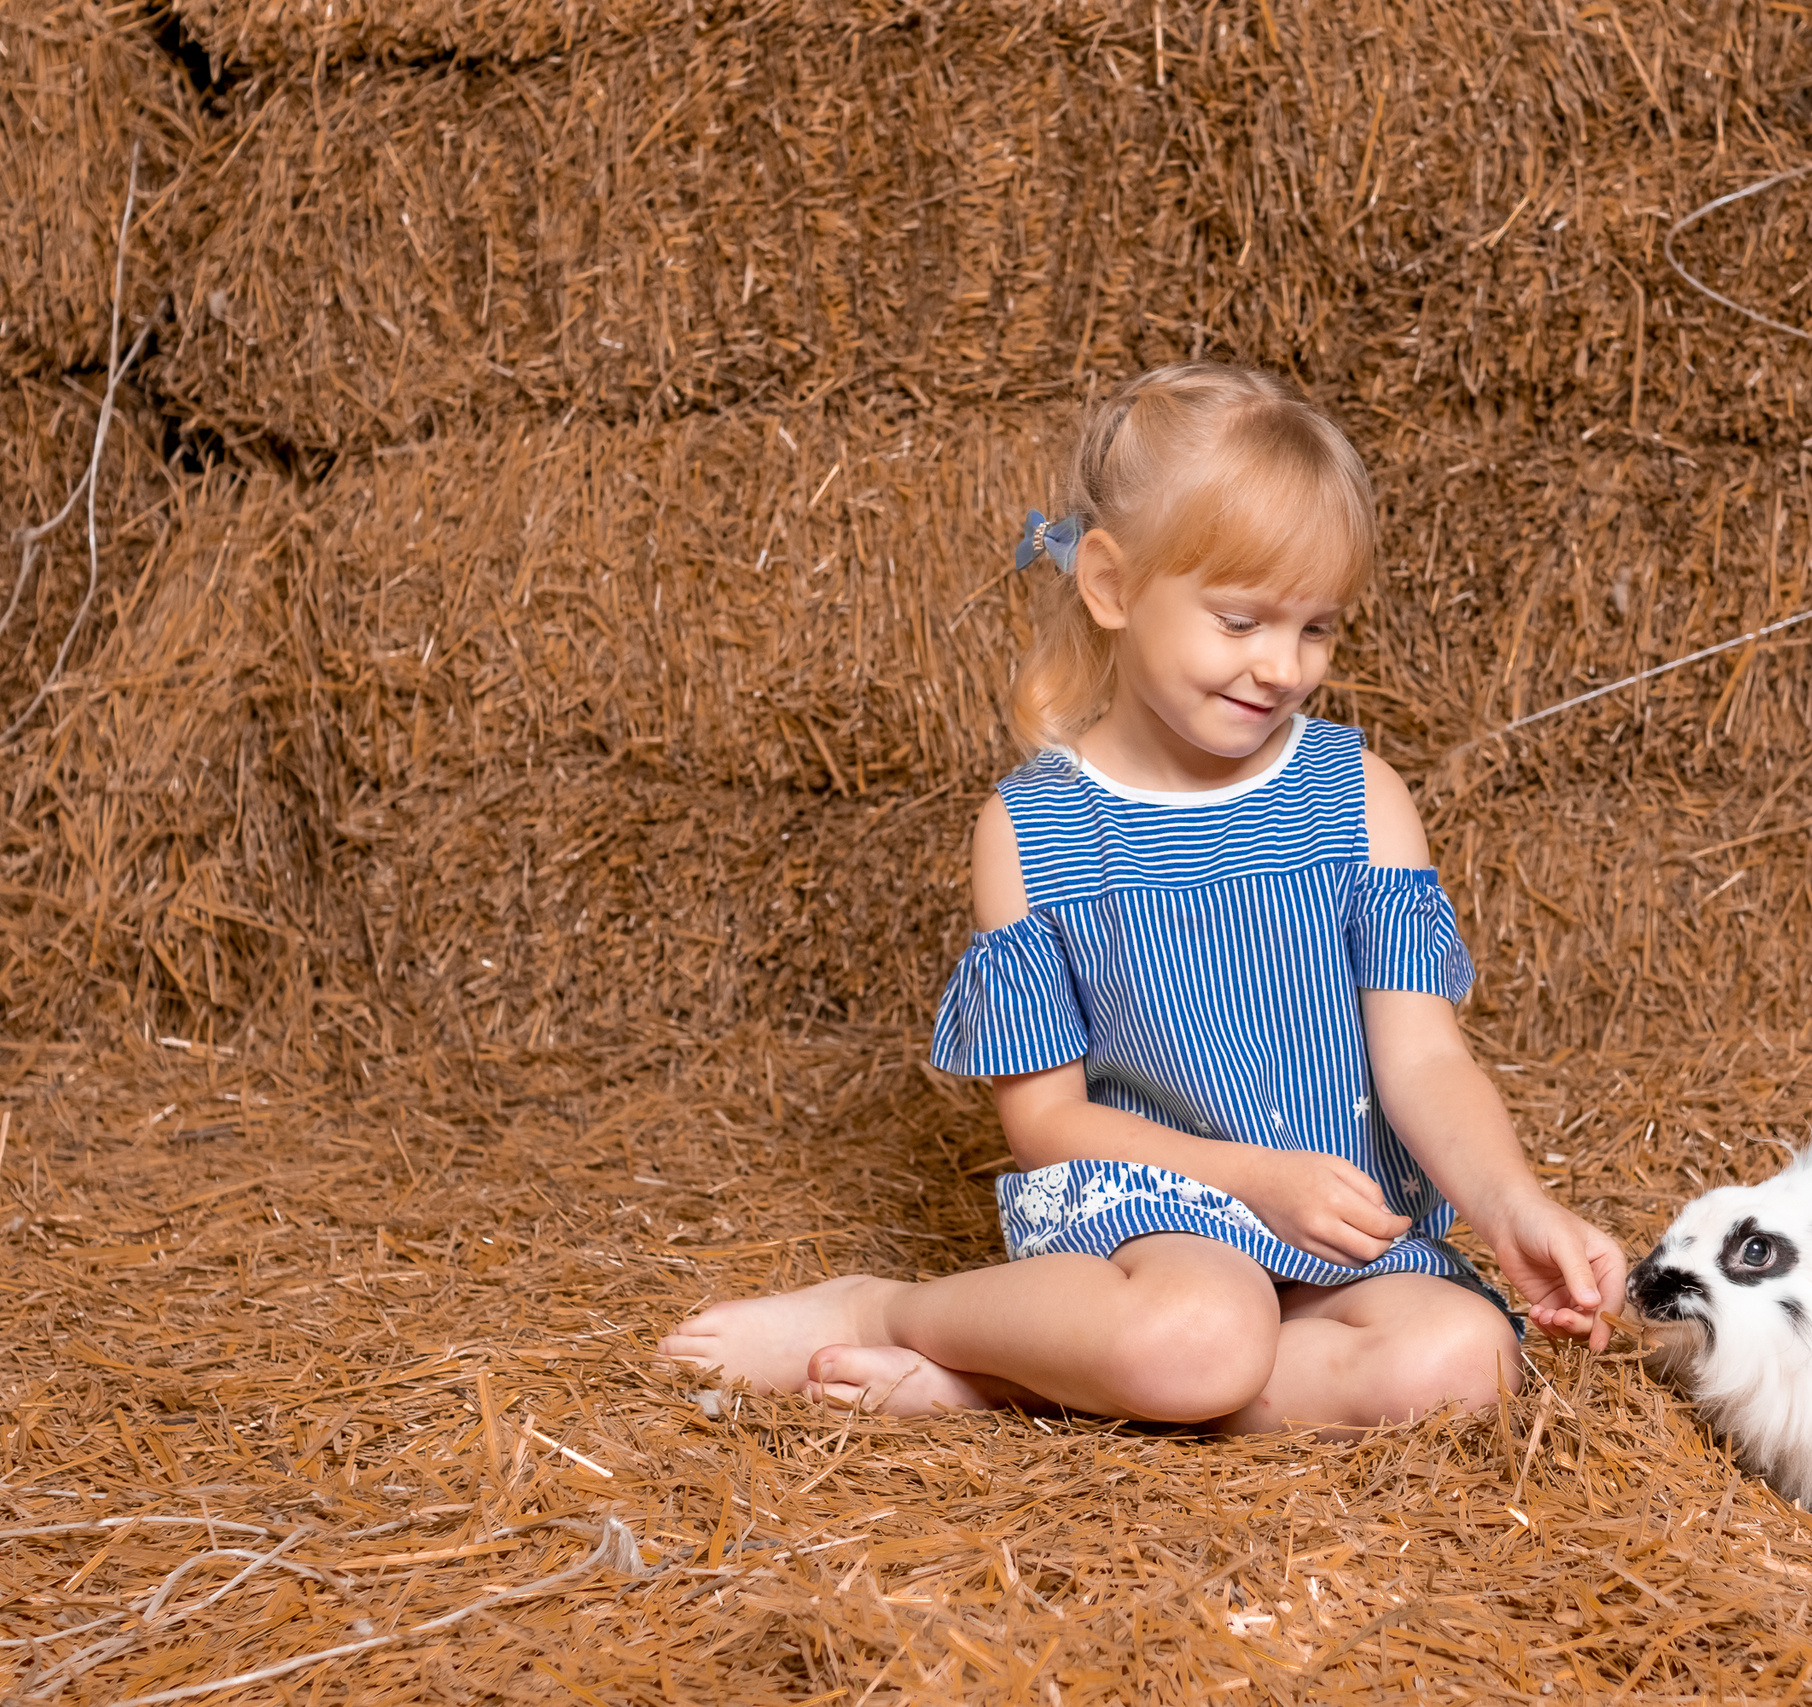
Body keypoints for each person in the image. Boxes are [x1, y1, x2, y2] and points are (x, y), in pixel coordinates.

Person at [659, 364, 1624, 1432]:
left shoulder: (1357, 796)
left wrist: (1513, 1204)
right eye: (1241, 621)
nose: (1282, 667)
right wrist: (1253, 1179)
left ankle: (1008, 1395)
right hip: (1159, 1210)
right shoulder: (1035, 831)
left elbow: (1425, 1058)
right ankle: (889, 1315)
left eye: (1317, 629)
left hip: (1335, 1214)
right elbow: (1049, 1125)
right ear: (1113, 585)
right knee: (1201, 1332)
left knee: (1464, 1363)